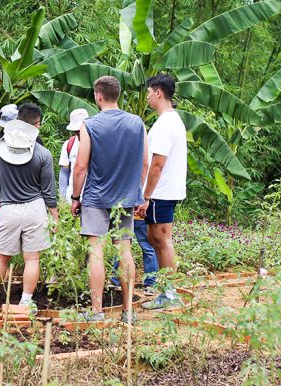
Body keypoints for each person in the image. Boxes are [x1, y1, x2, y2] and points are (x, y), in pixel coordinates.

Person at [71, 76, 148, 324]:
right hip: (126, 198)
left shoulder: (89, 125)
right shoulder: (137, 123)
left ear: (98, 96)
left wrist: (75, 197)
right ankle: (128, 311)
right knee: (124, 249)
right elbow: (145, 162)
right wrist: (140, 193)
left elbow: (81, 166)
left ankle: (97, 312)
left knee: (96, 252)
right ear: (118, 95)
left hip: (95, 197)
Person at [0, 104, 58, 314]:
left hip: (8, 208)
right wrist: (54, 215)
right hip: (35, 209)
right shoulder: (43, 153)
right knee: (32, 257)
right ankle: (26, 303)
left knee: (1, 257)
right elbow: (49, 191)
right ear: (37, 125)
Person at [136, 74, 187, 310]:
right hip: (165, 190)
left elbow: (157, 163)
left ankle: (169, 294)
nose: (147, 96)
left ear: (158, 93)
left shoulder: (166, 123)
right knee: (157, 239)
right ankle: (167, 291)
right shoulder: (170, 120)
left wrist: (146, 196)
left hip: (161, 191)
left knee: (162, 239)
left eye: (148, 92)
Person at [58, 108, 88, 199]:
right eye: (76, 131)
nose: (78, 134)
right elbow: (64, 172)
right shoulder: (69, 144)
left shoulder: (97, 143)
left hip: (93, 200)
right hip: (72, 197)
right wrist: (62, 197)